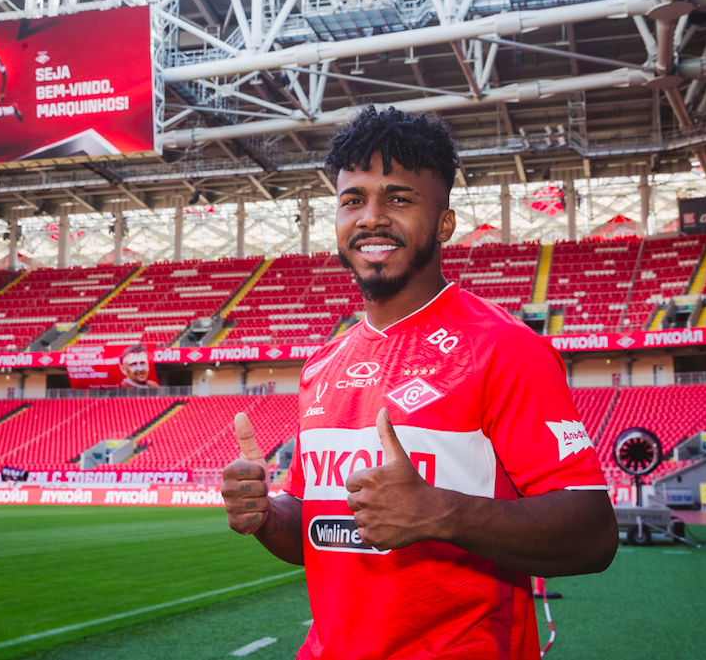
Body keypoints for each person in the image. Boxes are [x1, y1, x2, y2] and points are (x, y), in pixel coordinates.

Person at [222, 105, 618, 660]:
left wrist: (439, 513)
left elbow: (594, 534)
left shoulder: (503, 347)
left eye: (399, 199)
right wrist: (266, 515)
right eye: (353, 200)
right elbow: (315, 533)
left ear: (444, 224)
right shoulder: (322, 365)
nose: (371, 218)